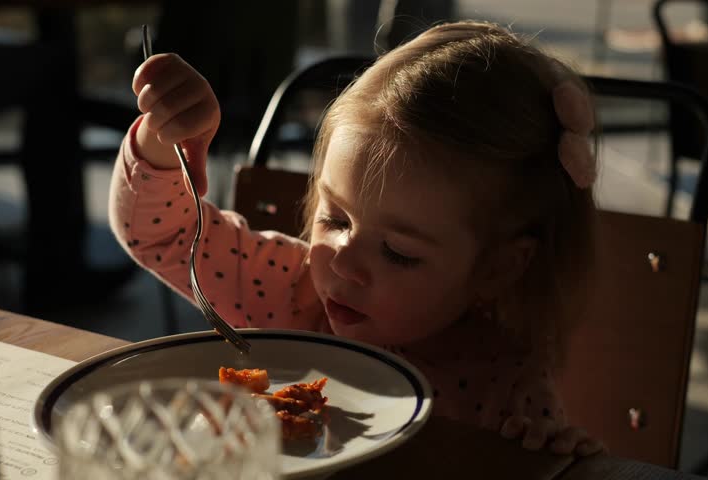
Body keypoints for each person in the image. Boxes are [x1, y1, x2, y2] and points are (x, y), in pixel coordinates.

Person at [110, 21, 602, 455]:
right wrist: (162, 142)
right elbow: (163, 234)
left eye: (399, 253)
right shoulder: (289, 290)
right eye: (337, 219)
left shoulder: (508, 389)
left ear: (497, 267)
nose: (343, 263)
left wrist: (547, 457)